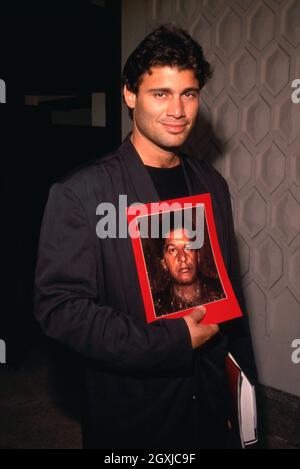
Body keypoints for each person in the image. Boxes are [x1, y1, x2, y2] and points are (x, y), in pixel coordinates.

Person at [35, 24, 257, 449]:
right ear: (130, 96)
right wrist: (171, 342)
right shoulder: (81, 193)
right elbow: (60, 310)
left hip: (208, 401)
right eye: (161, 93)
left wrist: (242, 394)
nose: (178, 109)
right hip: (134, 412)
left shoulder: (212, 183)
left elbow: (231, 298)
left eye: (188, 93)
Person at [154, 223, 225, 317]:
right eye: (173, 250)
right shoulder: (158, 308)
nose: (183, 258)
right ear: (164, 263)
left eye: (188, 248)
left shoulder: (221, 292)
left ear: (198, 255)